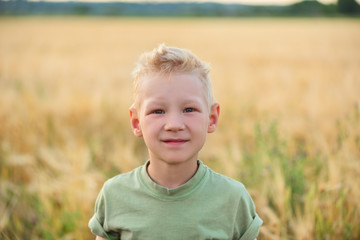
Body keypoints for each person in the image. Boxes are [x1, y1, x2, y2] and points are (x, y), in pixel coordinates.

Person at [88, 44, 263, 240]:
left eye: (189, 109)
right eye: (158, 111)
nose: (174, 125)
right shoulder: (115, 195)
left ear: (212, 118)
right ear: (136, 122)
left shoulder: (233, 199)